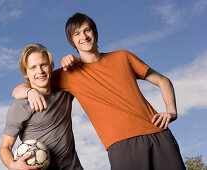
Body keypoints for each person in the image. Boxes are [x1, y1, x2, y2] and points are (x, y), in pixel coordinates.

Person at [12, 13, 186, 170]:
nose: (84, 36)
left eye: (87, 30)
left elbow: (163, 81)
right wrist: (30, 93)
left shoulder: (123, 56)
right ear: (72, 41)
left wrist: (171, 111)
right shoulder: (68, 73)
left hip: (159, 133)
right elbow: (21, 87)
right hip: (121, 144)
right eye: (77, 34)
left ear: (94, 32)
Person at [0, 44, 83, 170]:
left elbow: (91, 63)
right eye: (33, 67)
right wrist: (13, 165)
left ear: (51, 66)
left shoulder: (64, 92)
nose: (40, 71)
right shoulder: (20, 106)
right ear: (25, 73)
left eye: (43, 65)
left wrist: (76, 59)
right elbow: (5, 147)